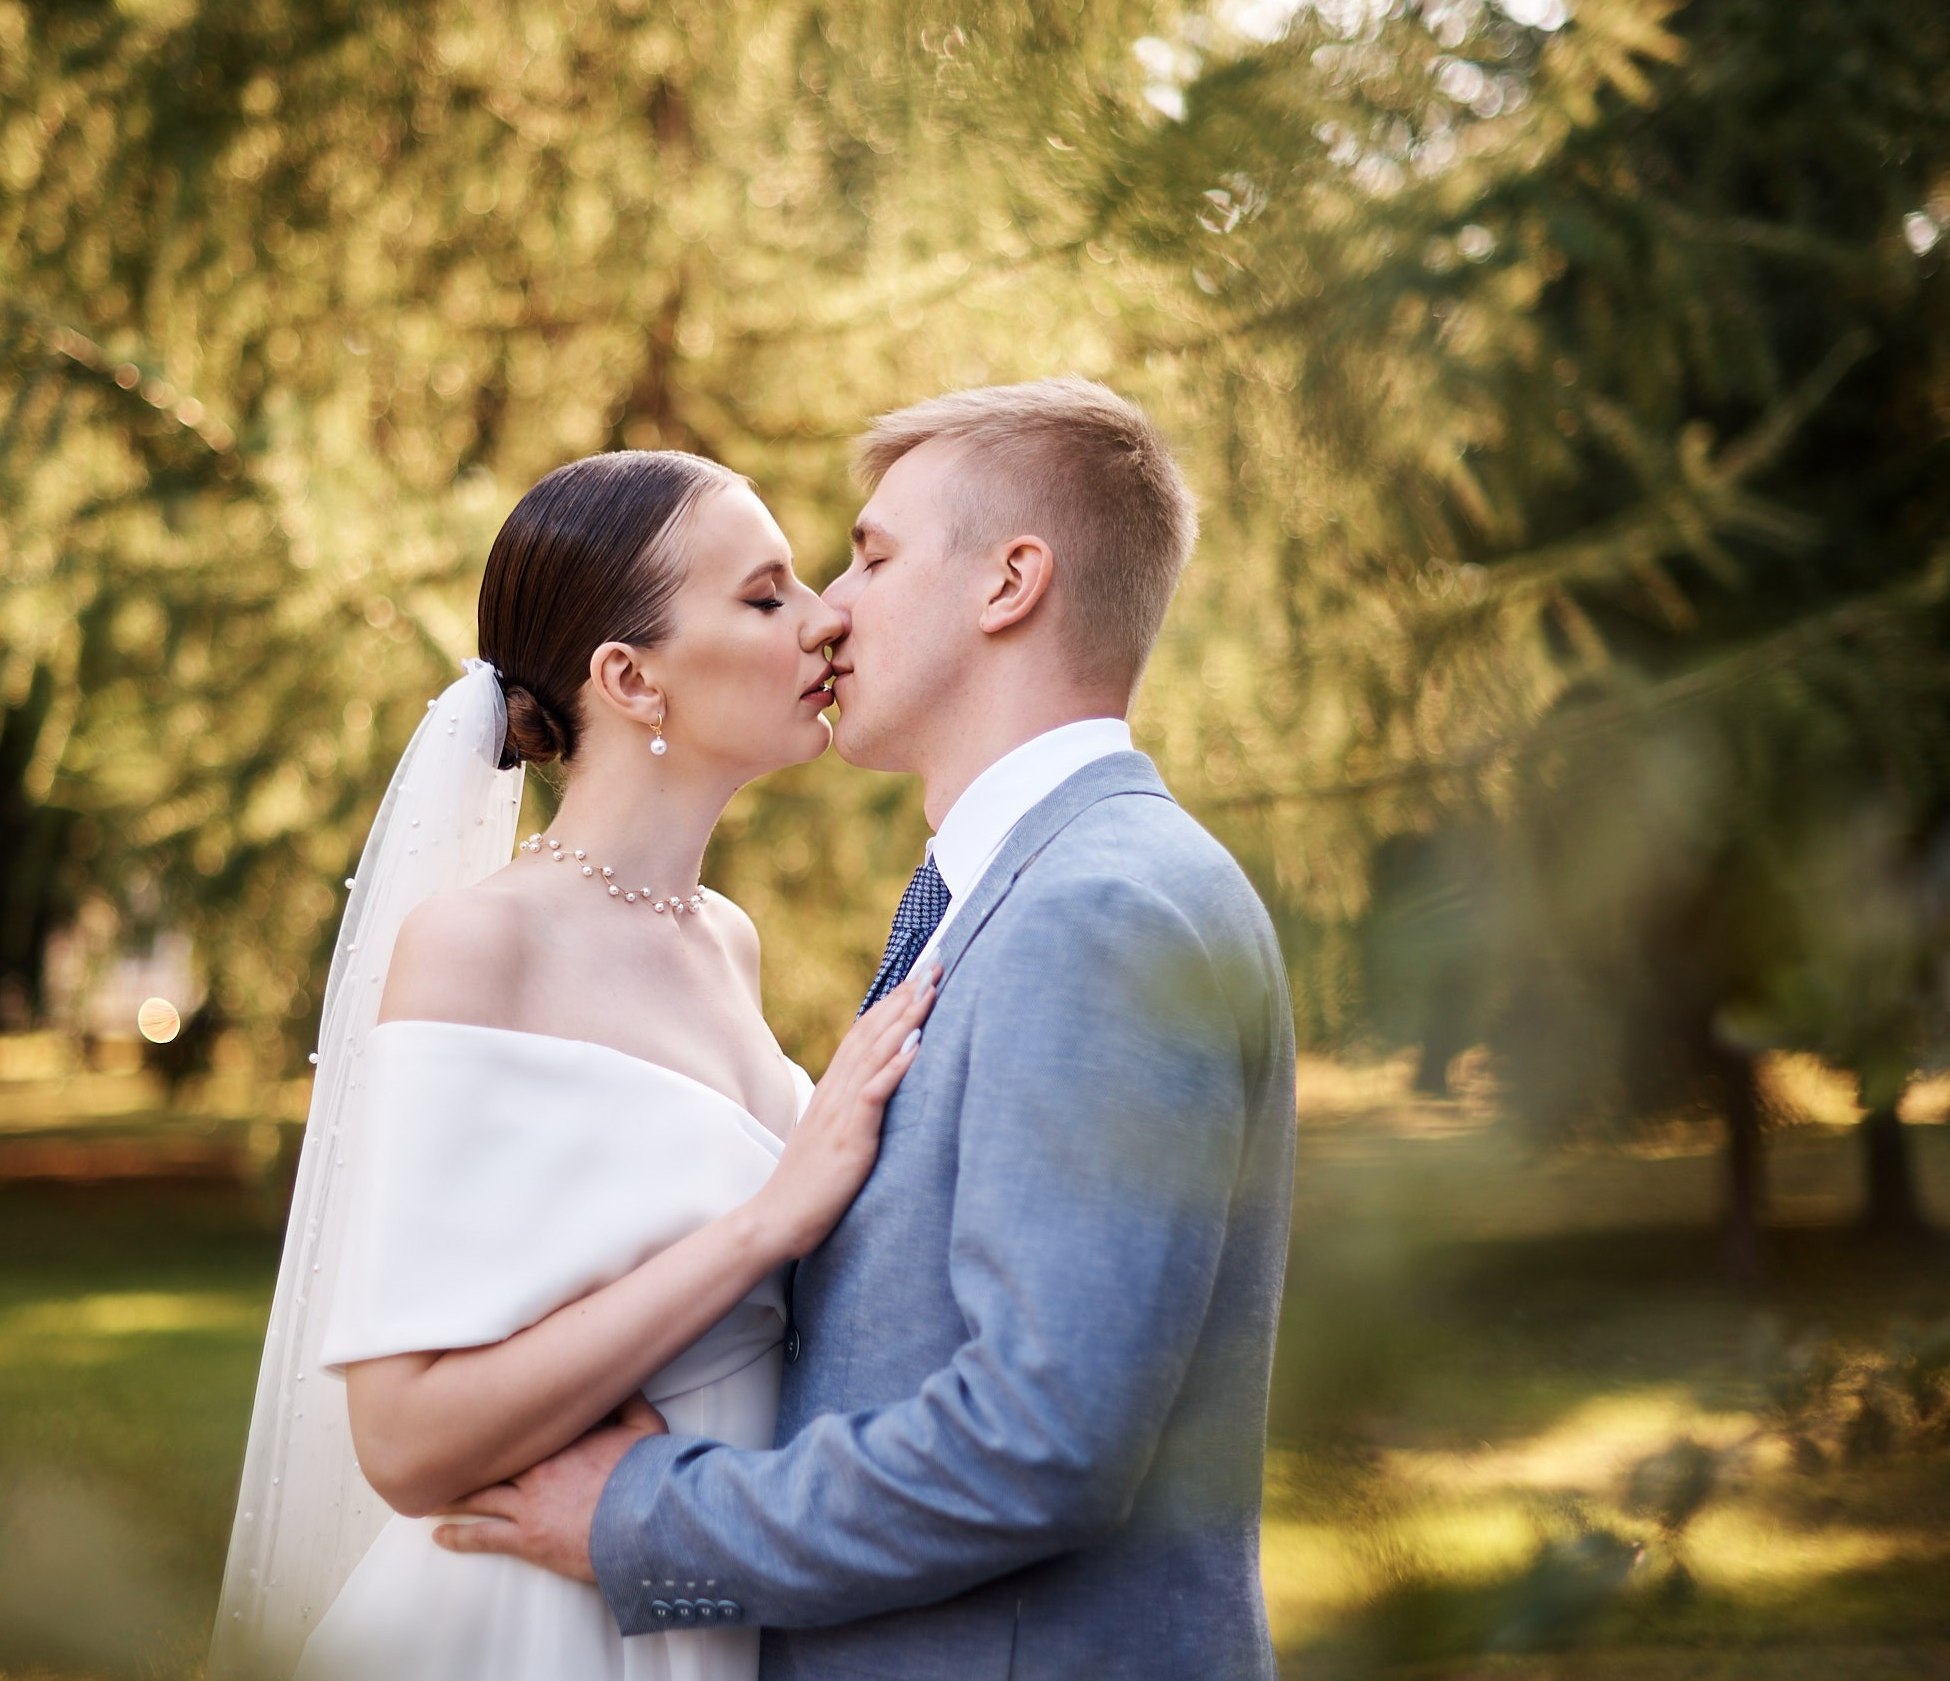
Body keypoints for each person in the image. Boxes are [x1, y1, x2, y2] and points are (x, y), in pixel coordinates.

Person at [434, 378, 1299, 1681]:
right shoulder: (1021, 889)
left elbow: (1037, 1438)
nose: (830, 609)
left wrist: (640, 1515)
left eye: (873, 556)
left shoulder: (1096, 911)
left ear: (1009, 583)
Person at [208, 449, 936, 1681]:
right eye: (765, 597)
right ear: (629, 676)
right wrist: (761, 1227)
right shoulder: (478, 943)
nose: (827, 618)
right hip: (524, 1626)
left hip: (686, 1591)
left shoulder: (726, 939)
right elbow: (403, 1439)